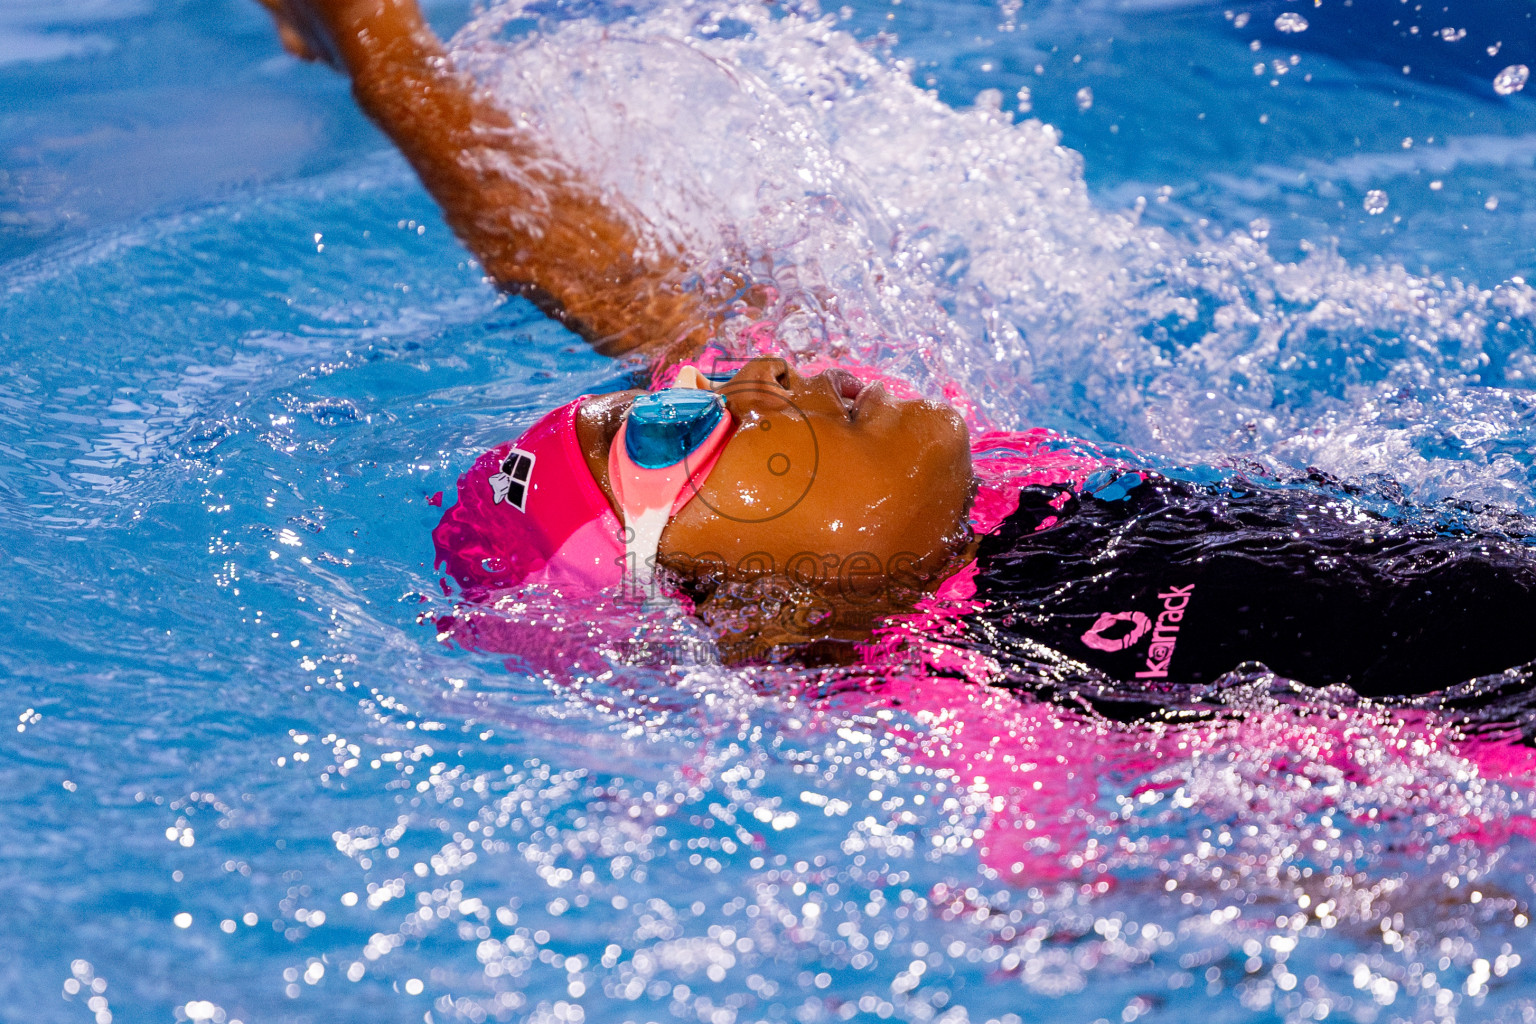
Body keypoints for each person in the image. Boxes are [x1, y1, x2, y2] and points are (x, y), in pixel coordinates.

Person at [258, 0, 1536, 693]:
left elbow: (612, 279)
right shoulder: (972, 725)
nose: (745, 373)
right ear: (747, 614)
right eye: (668, 430)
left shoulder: (987, 480)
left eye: (683, 388)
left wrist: (391, 66)